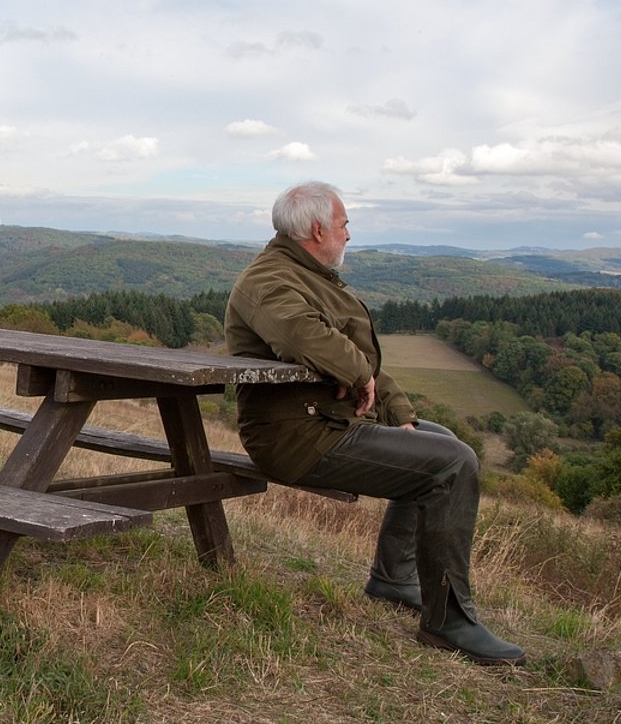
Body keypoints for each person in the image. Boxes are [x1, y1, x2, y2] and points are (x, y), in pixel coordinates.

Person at [224, 180, 526, 666]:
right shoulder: (268, 281)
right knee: (452, 464)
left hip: (326, 421)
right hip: (298, 437)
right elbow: (304, 337)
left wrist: (399, 413)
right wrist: (358, 374)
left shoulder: (307, 275)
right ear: (319, 229)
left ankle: (393, 577)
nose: (348, 235)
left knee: (440, 440)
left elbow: (357, 359)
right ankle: (449, 621)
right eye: (344, 225)